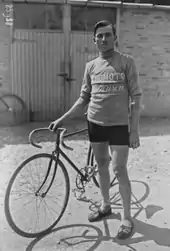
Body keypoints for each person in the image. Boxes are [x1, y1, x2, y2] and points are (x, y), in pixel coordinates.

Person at [49, 20, 142, 240]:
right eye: (99, 36)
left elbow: (135, 97)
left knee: (119, 170)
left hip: (119, 126)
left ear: (115, 37)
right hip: (95, 124)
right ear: (94, 40)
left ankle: (127, 218)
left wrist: (134, 130)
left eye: (107, 35)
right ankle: (106, 205)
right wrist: (62, 118)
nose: (103, 39)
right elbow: (84, 98)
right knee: (101, 165)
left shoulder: (126, 62)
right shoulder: (91, 66)